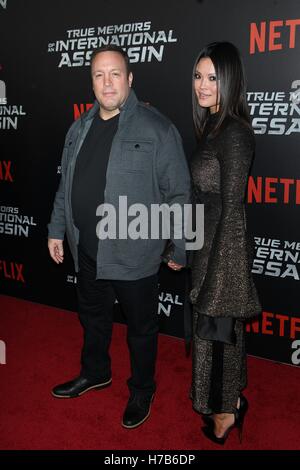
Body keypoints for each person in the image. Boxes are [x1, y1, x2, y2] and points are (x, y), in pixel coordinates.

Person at [47, 45, 190, 429]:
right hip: (87, 249)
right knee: (92, 318)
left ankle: (142, 388)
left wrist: (181, 245)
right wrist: (56, 229)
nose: (107, 82)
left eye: (115, 74)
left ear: (129, 79)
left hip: (135, 254)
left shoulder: (157, 128)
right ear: (91, 81)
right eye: (98, 74)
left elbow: (178, 191)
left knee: (141, 330)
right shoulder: (78, 128)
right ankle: (95, 372)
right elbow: (67, 184)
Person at [189, 42, 261, 444]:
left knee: (215, 335)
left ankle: (224, 415)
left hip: (223, 249)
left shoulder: (234, 133)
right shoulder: (213, 126)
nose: (203, 85)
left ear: (230, 80)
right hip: (207, 246)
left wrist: (219, 276)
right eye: (199, 76)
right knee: (219, 335)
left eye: (213, 77)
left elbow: (232, 208)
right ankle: (231, 400)